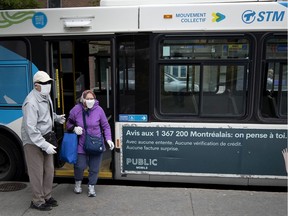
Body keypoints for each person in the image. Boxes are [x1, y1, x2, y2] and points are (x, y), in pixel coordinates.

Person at [21, 71, 66, 211]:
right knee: (37, 172)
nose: (48, 85)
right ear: (36, 86)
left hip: (46, 137)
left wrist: (57, 118)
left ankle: (47, 196)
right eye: (45, 83)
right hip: (33, 142)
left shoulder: (45, 96)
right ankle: (37, 201)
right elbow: (31, 129)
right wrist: (44, 145)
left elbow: (46, 114)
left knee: (49, 170)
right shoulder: (30, 102)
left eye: (49, 83)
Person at [66, 90, 114, 197]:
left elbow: (106, 126)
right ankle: (78, 183)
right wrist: (74, 128)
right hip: (81, 143)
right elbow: (68, 124)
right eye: (87, 99)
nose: (90, 101)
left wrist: (109, 139)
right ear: (83, 99)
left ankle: (91, 186)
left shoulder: (99, 110)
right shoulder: (76, 110)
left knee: (94, 167)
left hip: (96, 143)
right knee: (79, 166)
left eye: (92, 99)